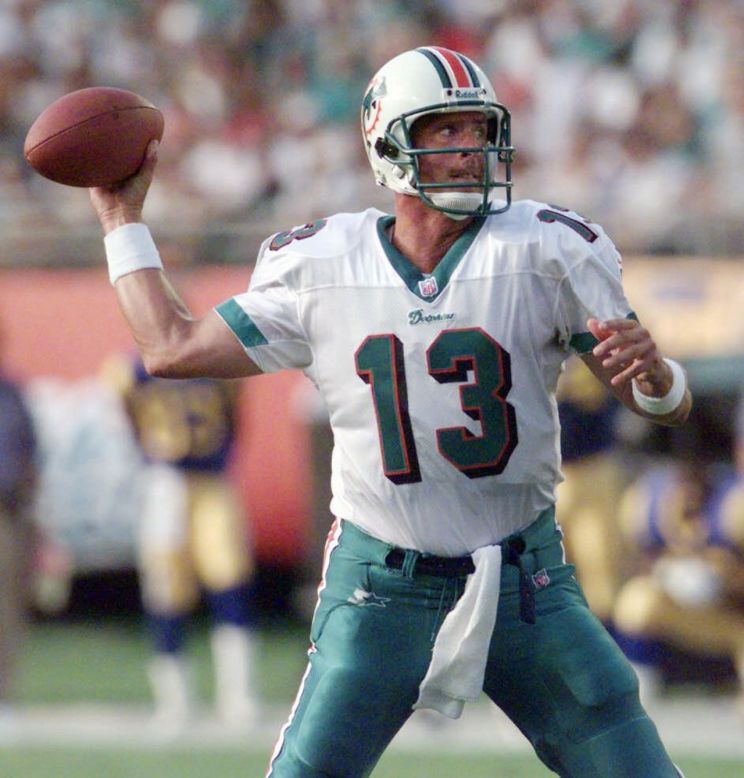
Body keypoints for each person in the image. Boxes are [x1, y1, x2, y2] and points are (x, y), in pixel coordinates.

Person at [87, 46, 692, 777]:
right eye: (445, 130)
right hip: (380, 581)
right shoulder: (321, 263)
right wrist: (122, 218)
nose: (470, 148)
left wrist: (659, 378)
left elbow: (658, 402)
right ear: (388, 145)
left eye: (479, 128)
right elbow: (171, 346)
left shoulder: (548, 247)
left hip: (523, 576)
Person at [102, 352, 260, 732]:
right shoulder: (130, 372)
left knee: (230, 583)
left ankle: (238, 696)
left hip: (211, 483)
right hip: (164, 484)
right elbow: (124, 420)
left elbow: (234, 421)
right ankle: (174, 701)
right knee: (165, 592)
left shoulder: (218, 364)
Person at [612, 460, 744, 717]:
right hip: (682, 619)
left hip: (730, 621)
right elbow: (632, 566)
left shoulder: (733, 509)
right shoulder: (644, 503)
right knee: (635, 601)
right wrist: (668, 565)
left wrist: (729, 576)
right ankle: (641, 677)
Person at [555, 355, 628, 626]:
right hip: (536, 473)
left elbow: (592, 389)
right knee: (543, 590)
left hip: (591, 467)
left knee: (602, 593)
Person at [0, 323, 37, 728]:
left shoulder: (12, 393)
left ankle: (2, 695)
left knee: (6, 607)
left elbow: (29, 455)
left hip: (6, 511)